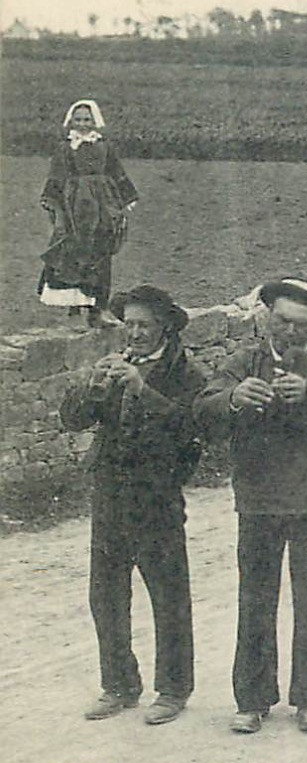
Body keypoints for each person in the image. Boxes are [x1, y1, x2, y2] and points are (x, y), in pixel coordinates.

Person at [195, 278, 307, 734]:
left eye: (300, 325)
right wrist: (233, 398)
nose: (288, 331)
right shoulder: (245, 360)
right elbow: (205, 403)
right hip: (259, 496)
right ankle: (252, 699)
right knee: (255, 598)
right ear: (265, 317)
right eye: (281, 321)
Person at [61, 285, 204, 725]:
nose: (135, 333)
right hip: (110, 492)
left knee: (167, 594)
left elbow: (190, 428)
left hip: (157, 495)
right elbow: (73, 420)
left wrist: (142, 389)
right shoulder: (119, 365)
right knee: (105, 594)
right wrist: (92, 387)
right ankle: (119, 685)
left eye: (144, 325)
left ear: (164, 327)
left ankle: (174, 689)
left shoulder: (185, 372)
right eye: (130, 325)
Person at [39, 100, 139, 328]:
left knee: (101, 254)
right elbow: (56, 177)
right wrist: (53, 202)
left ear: (95, 121)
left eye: (87, 120)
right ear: (71, 121)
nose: (83, 124)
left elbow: (116, 171)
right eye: (78, 120)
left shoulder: (104, 146)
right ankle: (74, 311)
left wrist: (126, 198)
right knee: (74, 253)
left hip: (103, 206)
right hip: (74, 207)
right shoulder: (65, 148)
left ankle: (98, 310)